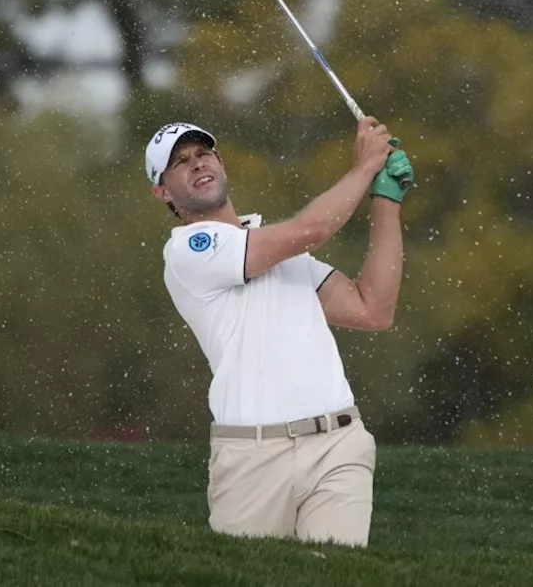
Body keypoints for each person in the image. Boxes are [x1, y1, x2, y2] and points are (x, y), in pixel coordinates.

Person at [146, 116, 414, 547]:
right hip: (251, 457)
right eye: (179, 163)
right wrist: (364, 168)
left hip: (337, 445)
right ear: (162, 191)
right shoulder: (189, 251)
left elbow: (373, 309)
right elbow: (312, 230)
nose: (196, 164)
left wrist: (386, 200)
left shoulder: (281, 252)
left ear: (221, 162)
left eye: (203, 153)